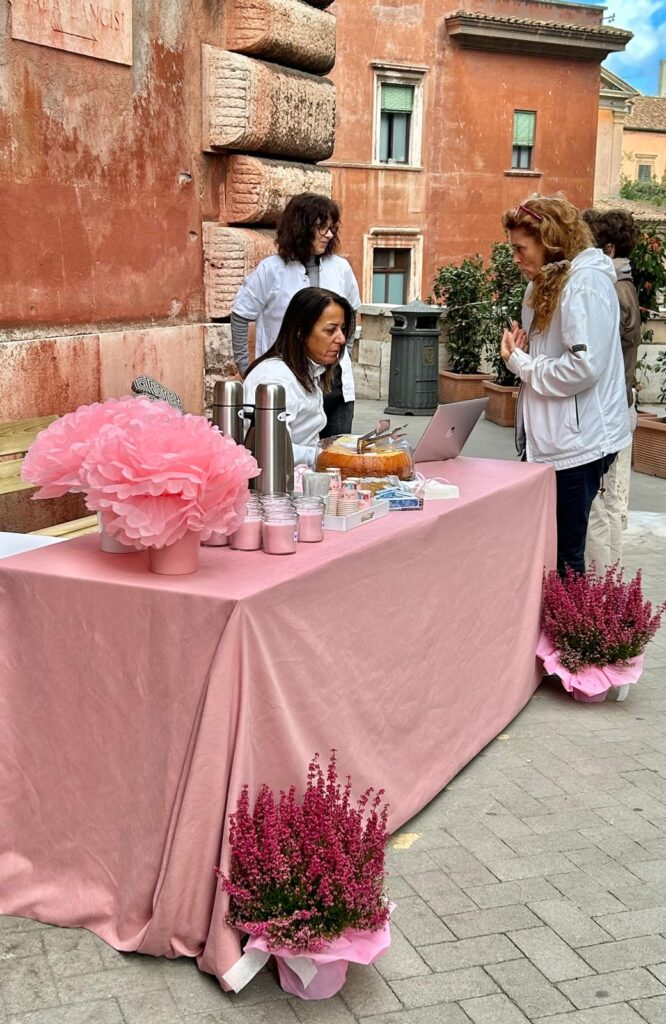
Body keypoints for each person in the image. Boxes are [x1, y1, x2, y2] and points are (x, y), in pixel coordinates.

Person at [500, 195, 632, 576]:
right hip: (554, 442)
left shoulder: (584, 284)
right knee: (550, 551)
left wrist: (522, 363)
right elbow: (554, 355)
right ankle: (553, 630)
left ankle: (567, 635)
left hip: (577, 445)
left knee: (564, 557)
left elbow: (583, 366)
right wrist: (523, 354)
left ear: (550, 240)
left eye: (521, 248)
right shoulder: (545, 284)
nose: (516, 258)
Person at [232, 193, 360, 436]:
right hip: (287, 378)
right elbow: (240, 314)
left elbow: (351, 314)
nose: (329, 234)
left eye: (332, 228)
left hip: (336, 384)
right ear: (301, 227)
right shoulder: (272, 269)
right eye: (322, 227)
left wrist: (343, 352)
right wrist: (246, 368)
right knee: (284, 454)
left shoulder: (341, 268)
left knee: (336, 457)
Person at [581, 208, 642, 570]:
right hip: (622, 404)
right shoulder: (626, 285)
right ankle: (609, 587)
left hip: (610, 408)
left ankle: (600, 589)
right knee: (610, 503)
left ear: (606, 250)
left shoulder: (612, 290)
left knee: (599, 506)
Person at [243, 287, 354, 467]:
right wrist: (329, 456)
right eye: (330, 330)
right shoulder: (276, 378)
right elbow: (272, 449)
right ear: (300, 331)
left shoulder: (309, 371)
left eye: (342, 329)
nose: (341, 339)